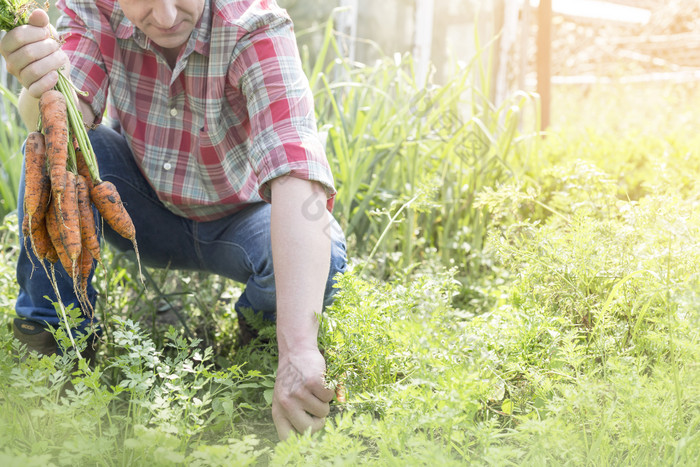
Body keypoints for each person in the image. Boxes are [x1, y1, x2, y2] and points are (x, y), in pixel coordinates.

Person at [0, 0, 347, 440]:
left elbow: (297, 169)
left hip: (239, 223)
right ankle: (55, 340)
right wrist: (38, 83)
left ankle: (259, 341)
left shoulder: (254, 26)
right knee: (52, 153)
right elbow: (59, 121)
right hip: (137, 204)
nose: (164, 17)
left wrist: (298, 348)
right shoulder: (94, 7)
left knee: (326, 253)